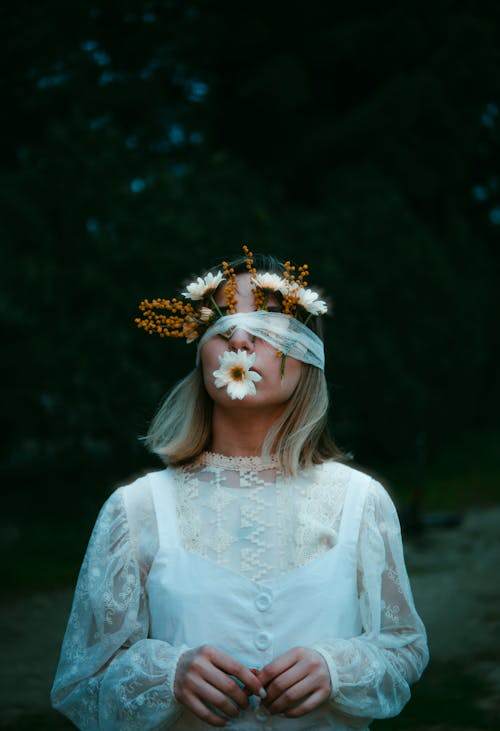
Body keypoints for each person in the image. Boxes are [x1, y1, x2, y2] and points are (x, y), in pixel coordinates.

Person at [51, 248, 429, 730]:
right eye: (223, 322)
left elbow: (403, 647)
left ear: (308, 351)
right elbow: (83, 679)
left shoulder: (361, 500)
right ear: (202, 350)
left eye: (269, 321)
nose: (242, 338)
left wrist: (339, 668)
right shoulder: (137, 508)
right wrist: (169, 674)